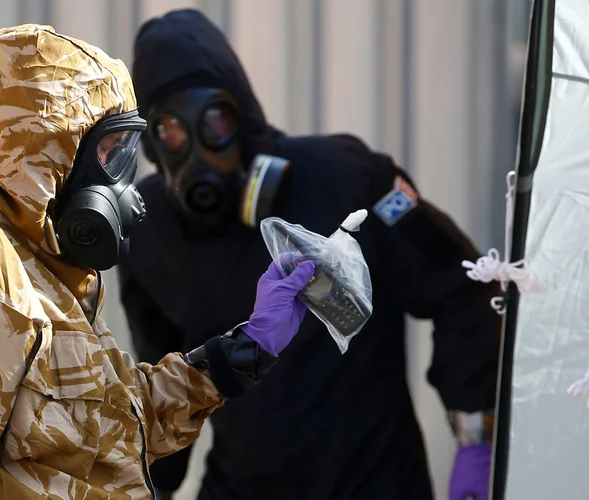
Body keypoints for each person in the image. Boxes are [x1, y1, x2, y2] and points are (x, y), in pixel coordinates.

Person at [0, 24, 315, 500]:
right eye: (108, 151)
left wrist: (248, 347)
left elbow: (125, 424)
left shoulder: (40, 266)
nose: (123, 179)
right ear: (49, 150)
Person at [119, 9, 501, 500]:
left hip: (374, 485)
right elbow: (166, 388)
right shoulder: (151, 234)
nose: (193, 149)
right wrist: (146, 488)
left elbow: (460, 287)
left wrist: (477, 438)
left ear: (245, 116)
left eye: (213, 121)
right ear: (149, 143)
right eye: (167, 130)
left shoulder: (348, 178)